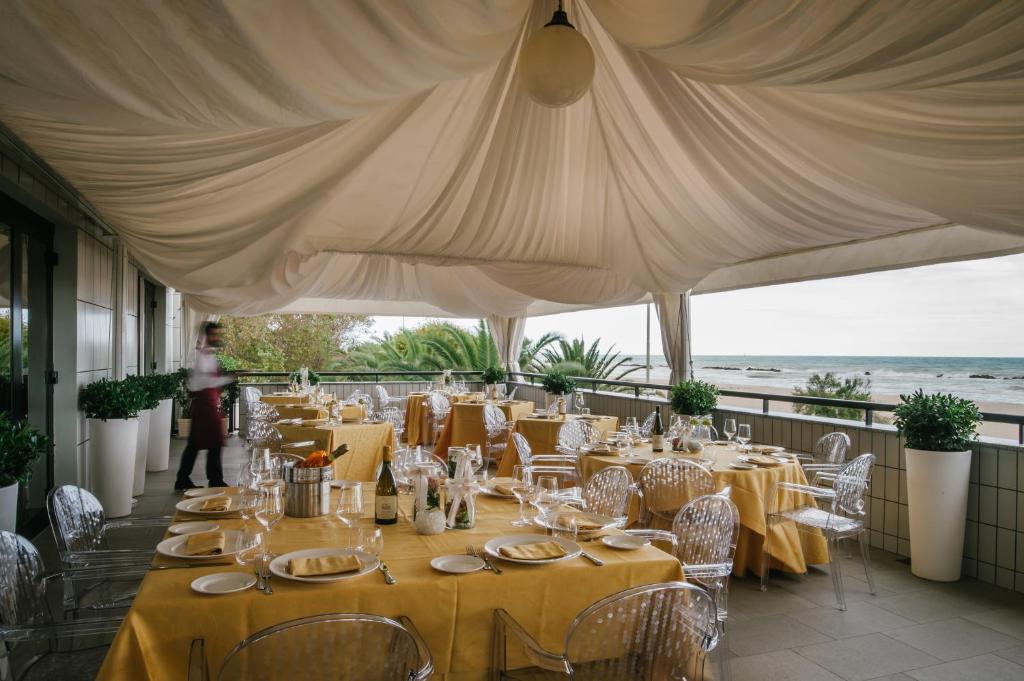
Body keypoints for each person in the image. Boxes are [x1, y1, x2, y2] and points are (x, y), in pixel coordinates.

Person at [175, 321, 234, 490]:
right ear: (207, 336)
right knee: (210, 442)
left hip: (207, 403)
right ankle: (212, 479)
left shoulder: (208, 354)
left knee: (198, 443)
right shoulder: (203, 356)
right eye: (214, 334)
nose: (217, 337)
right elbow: (205, 381)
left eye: (218, 334)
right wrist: (229, 378)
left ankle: (185, 478)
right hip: (204, 404)